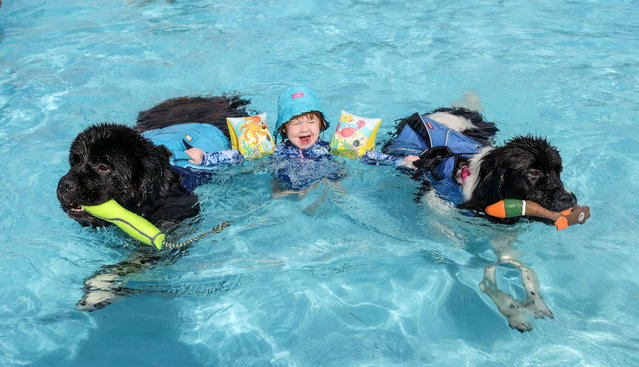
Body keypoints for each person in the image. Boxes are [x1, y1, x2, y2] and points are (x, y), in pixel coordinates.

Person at [185, 86, 419, 195]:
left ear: (321, 125)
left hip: (324, 179)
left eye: (311, 122)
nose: (304, 129)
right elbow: (238, 156)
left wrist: (399, 161)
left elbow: (367, 156)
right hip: (287, 184)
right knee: (276, 187)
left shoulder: (330, 149)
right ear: (284, 129)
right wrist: (205, 158)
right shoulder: (273, 150)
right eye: (296, 123)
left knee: (335, 181)